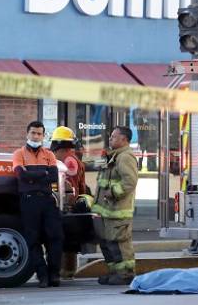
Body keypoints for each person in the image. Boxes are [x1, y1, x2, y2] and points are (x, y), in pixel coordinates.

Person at [12, 121, 62, 288]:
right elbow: (21, 176)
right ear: (27, 134)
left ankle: (54, 274)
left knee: (55, 237)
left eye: (39, 134)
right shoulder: (19, 154)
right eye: (33, 133)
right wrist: (43, 173)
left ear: (43, 136)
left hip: (47, 200)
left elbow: (53, 176)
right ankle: (42, 276)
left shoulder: (49, 154)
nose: (36, 136)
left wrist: (33, 175)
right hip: (29, 201)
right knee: (33, 240)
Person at [93, 126, 138, 285]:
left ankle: (126, 274)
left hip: (118, 212)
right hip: (108, 211)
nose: (110, 139)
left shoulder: (125, 157)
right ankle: (115, 273)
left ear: (124, 139)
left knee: (119, 244)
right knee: (108, 244)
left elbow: (129, 182)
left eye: (114, 136)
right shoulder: (113, 156)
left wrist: (112, 192)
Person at [50, 126, 87, 280]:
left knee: (66, 241)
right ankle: (64, 271)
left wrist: (68, 204)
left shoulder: (68, 160)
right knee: (64, 240)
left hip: (66, 207)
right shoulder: (64, 158)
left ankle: (65, 271)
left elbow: (70, 187)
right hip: (63, 205)